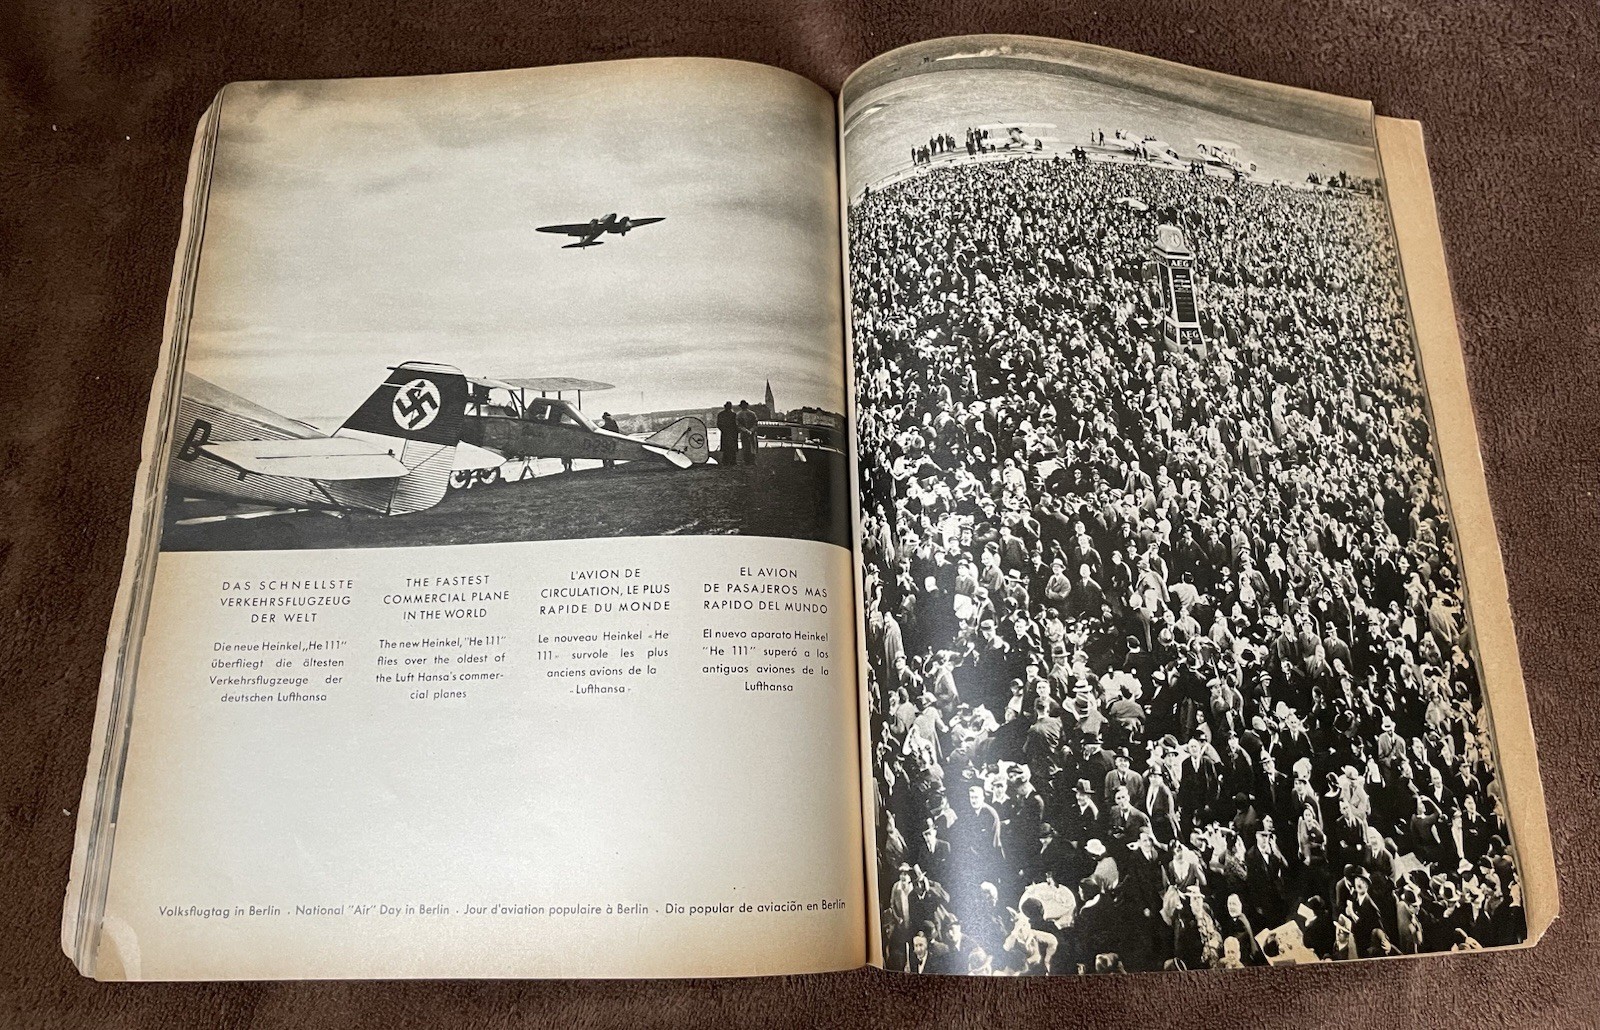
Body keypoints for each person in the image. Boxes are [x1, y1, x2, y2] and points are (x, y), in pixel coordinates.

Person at [715, 401, 738, 467]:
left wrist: (724, 430)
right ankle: (732, 461)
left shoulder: (721, 414)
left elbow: (719, 424)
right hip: (732, 433)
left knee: (726, 448)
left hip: (725, 433)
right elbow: (736, 425)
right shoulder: (733, 414)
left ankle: (726, 461)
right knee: (732, 448)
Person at [735, 399, 759, 464]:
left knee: (745, 446)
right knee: (752, 446)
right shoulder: (752, 413)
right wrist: (751, 430)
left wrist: (745, 430)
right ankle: (752, 460)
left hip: (744, 433)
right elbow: (755, 423)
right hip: (752, 433)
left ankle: (747, 460)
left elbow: (738, 425)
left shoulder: (738, 414)